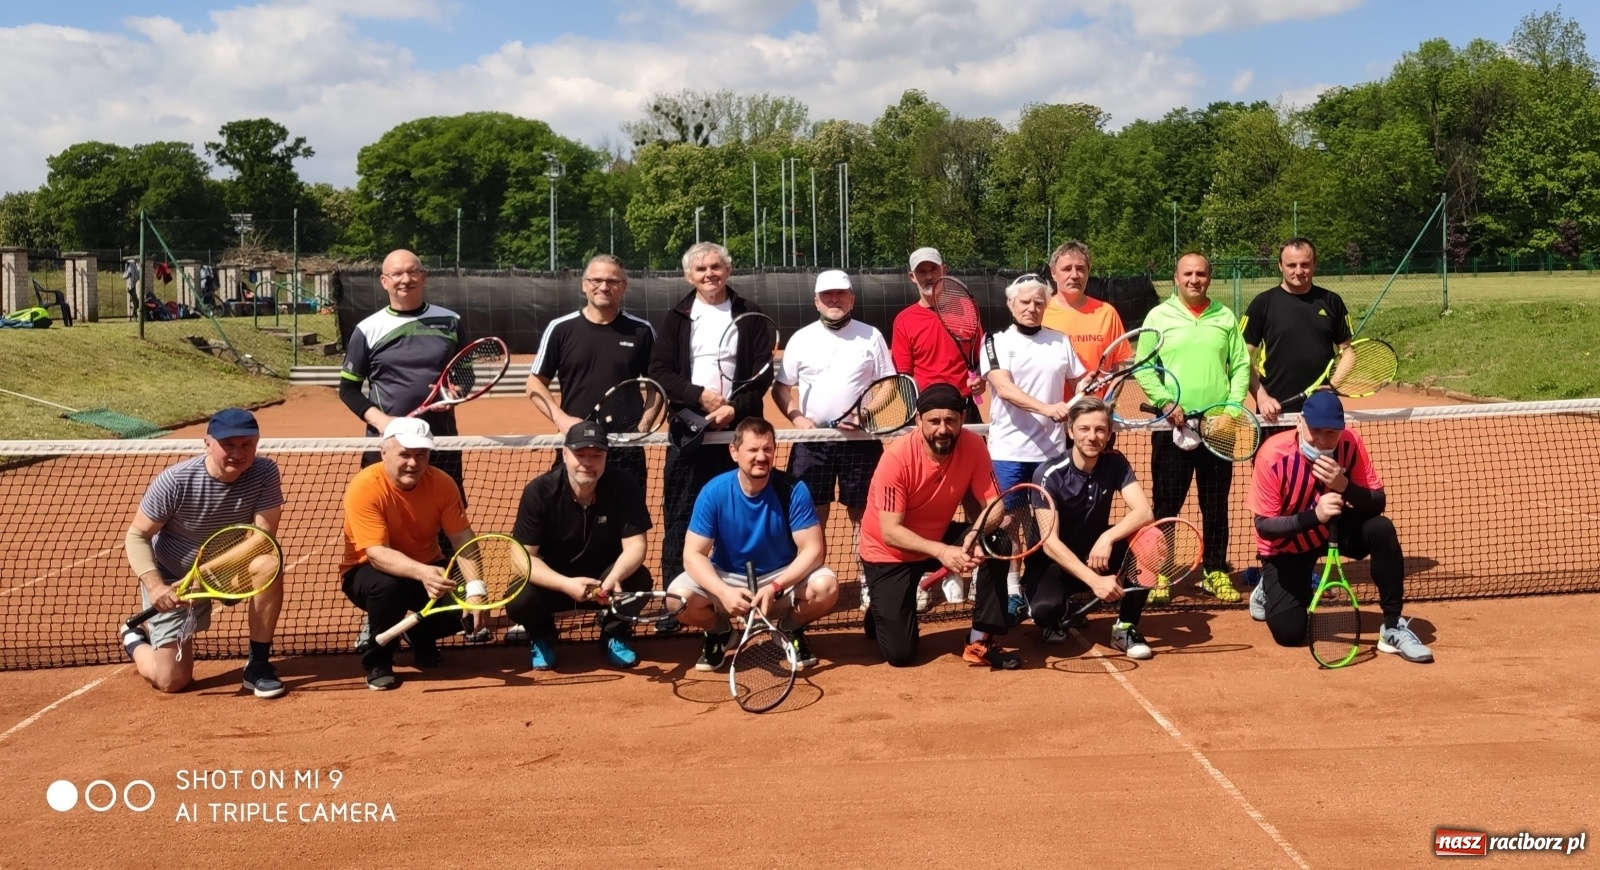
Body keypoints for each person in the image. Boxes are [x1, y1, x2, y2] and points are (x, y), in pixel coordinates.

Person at [1246, 392, 1433, 662]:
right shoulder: (1272, 456)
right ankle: (1268, 587)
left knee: (1381, 529)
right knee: (1289, 633)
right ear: (1300, 423)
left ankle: (1392, 627)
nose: (1322, 440)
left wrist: (1344, 486)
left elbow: (1377, 502)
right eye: (1315, 431)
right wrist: (1314, 516)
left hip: (1333, 528)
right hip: (1287, 544)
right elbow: (1265, 527)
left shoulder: (1350, 443)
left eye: (1331, 433)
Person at [119, 409, 287, 697]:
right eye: (228, 445)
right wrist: (156, 586)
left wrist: (206, 574)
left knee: (268, 564)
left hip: (228, 572)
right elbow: (137, 535)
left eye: (247, 445)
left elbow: (262, 538)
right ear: (207, 443)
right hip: (174, 579)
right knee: (171, 681)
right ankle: (134, 638)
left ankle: (257, 666)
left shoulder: (264, 472)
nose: (238, 453)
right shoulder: (175, 481)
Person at [857, 384, 1018, 670]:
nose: (942, 429)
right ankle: (881, 611)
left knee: (997, 539)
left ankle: (980, 638)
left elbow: (995, 507)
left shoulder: (973, 445)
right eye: (934, 421)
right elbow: (891, 531)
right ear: (919, 421)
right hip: (889, 552)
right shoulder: (896, 458)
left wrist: (974, 536)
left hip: (937, 535)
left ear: (961, 419)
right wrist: (944, 552)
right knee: (901, 655)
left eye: (950, 420)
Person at [648, 242, 775, 587]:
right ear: (690, 275)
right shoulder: (677, 317)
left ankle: (741, 588)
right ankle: (677, 595)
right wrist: (698, 397)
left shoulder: (749, 313)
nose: (709, 274)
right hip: (689, 435)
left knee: (741, 515)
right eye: (701, 269)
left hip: (738, 435)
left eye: (716, 267)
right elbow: (659, 370)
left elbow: (762, 373)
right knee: (681, 515)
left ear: (728, 271)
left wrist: (734, 408)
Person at [668, 418, 839, 672]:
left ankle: (789, 628)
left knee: (826, 587)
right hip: (727, 577)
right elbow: (693, 555)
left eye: (767, 449)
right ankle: (721, 632)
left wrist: (775, 587)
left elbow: (813, 550)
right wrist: (724, 592)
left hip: (781, 577)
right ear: (734, 452)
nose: (761, 456)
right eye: (753, 450)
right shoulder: (714, 492)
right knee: (677, 600)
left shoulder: (793, 490)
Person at [773, 269, 895, 613]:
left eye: (841, 294)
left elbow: (888, 384)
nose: (834, 300)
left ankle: (868, 583)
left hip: (861, 442)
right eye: (827, 295)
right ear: (816, 301)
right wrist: (797, 418)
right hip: (813, 443)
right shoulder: (801, 339)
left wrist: (864, 414)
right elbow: (782, 387)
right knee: (810, 515)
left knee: (865, 515)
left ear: (852, 298)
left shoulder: (871, 336)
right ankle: (809, 580)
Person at [1138, 252, 1251, 606]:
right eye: (1187, 273)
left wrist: (1231, 410)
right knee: (1166, 504)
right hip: (1172, 428)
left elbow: (1241, 367)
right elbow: (1143, 367)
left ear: (1209, 277)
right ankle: (1161, 571)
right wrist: (1165, 402)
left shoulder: (1225, 316)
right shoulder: (1158, 316)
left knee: (1215, 504)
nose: (1194, 280)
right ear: (1176, 277)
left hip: (1219, 427)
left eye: (1201, 274)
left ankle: (1214, 570)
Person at [340, 418, 480, 690]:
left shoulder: (443, 484)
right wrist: (423, 572)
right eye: (404, 454)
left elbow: (463, 538)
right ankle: (378, 660)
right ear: (384, 453)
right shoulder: (365, 486)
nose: (413, 463)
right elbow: (377, 554)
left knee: (462, 613)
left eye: (421, 455)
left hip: (428, 566)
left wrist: (476, 589)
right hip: (367, 571)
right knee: (391, 587)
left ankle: (418, 633)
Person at [505, 421, 654, 671]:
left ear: (606, 457)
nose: (588, 462)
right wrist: (565, 584)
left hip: (604, 584)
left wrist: (615, 577)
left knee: (639, 580)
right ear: (564, 454)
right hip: (555, 583)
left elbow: (636, 545)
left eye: (596, 455)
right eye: (580, 455)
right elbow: (521, 558)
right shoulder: (539, 492)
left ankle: (613, 633)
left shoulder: (624, 485)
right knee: (519, 598)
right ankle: (542, 635)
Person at [980, 274, 1086, 621]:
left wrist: (1087, 386)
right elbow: (1004, 388)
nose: (1032, 308)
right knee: (1008, 521)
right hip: (1009, 451)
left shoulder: (1060, 341)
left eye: (1039, 302)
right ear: (1011, 305)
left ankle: (1042, 588)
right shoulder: (995, 341)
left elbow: (1080, 378)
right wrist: (1047, 409)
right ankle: (1012, 591)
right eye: (1024, 302)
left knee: (1045, 525)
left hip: (1052, 454)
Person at [1024, 396, 1157, 658]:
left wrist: (1108, 537)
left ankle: (1125, 627)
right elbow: (1050, 544)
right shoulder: (1048, 474)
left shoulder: (1115, 462)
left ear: (1108, 434)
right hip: (1053, 564)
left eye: (1100, 429)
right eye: (1084, 429)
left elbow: (1145, 512)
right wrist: (1094, 581)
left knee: (1151, 539)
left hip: (1095, 554)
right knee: (1044, 613)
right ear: (1070, 431)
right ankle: (1064, 607)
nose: (1092, 436)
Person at [339, 249, 468, 487]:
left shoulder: (451, 322)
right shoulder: (367, 329)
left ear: (424, 277)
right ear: (384, 281)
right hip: (387, 444)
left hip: (441, 441)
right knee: (382, 516)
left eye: (412, 272)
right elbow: (348, 389)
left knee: (444, 519)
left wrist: (455, 394)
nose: (405, 280)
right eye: (397, 274)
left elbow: (465, 375)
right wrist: (382, 422)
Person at [525, 254, 655, 485]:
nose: (604, 287)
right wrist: (562, 420)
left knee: (626, 520)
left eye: (613, 281)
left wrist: (641, 427)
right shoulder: (560, 329)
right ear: (584, 285)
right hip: (576, 445)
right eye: (596, 280)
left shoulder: (642, 331)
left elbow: (657, 387)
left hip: (625, 447)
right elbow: (534, 384)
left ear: (623, 287)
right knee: (571, 517)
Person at [1241, 237, 1354, 431]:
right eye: (1291, 265)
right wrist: (1262, 396)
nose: (1298, 271)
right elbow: (1241, 357)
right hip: (1274, 413)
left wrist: (1333, 386)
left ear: (1314, 264)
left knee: (1322, 463)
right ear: (1280, 266)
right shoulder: (1262, 304)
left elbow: (1348, 352)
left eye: (1305, 264)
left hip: (1320, 412)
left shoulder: (1332, 301)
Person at [891, 246, 985, 423]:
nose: (929, 276)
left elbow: (979, 357)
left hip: (964, 408)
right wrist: (915, 413)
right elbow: (904, 378)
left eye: (933, 269)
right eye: (922, 272)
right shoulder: (904, 321)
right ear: (912, 277)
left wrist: (980, 379)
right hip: (926, 411)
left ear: (944, 270)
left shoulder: (967, 307)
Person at [1042, 241, 1126, 378]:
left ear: (1088, 273)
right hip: (1050, 400)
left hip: (1096, 400)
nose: (1074, 275)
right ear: (1053, 273)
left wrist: (1108, 399)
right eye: (1067, 269)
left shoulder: (1107, 313)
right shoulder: (1040, 312)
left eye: (1080, 269)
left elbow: (1118, 365)